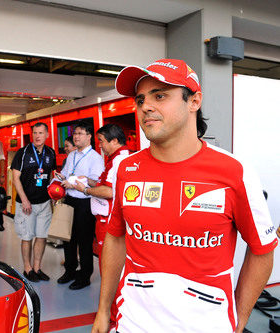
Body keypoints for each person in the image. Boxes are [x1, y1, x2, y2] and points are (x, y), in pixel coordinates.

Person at [92, 59, 277, 333]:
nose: (146, 107)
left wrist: (238, 320)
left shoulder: (235, 172)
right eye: (140, 99)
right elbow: (116, 237)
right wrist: (103, 310)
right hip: (132, 322)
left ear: (194, 101)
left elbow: (262, 249)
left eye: (160, 95)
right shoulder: (127, 169)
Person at [56, 121, 104, 290]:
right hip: (69, 200)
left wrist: (75, 181)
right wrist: (59, 177)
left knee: (84, 241)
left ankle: (85, 276)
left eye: (80, 133)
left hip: (85, 202)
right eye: (75, 133)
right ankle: (69, 271)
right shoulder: (71, 155)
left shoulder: (95, 158)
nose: (76, 136)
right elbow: (66, 173)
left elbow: (95, 181)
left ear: (89, 136)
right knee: (68, 239)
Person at [72, 124, 129, 262]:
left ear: (114, 141)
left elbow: (109, 191)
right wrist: (88, 180)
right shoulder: (116, 158)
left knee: (108, 260)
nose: (100, 146)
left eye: (102, 141)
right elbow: (104, 183)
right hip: (106, 219)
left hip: (109, 220)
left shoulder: (118, 160)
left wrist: (84, 190)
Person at [11, 122, 56, 282]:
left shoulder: (51, 152)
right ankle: (27, 268)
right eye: (35, 133)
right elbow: (15, 178)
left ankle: (37, 268)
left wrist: (53, 196)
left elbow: (51, 176)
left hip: (44, 203)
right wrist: (24, 200)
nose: (37, 136)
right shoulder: (23, 153)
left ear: (47, 135)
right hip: (26, 204)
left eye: (41, 133)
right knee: (27, 237)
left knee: (42, 236)